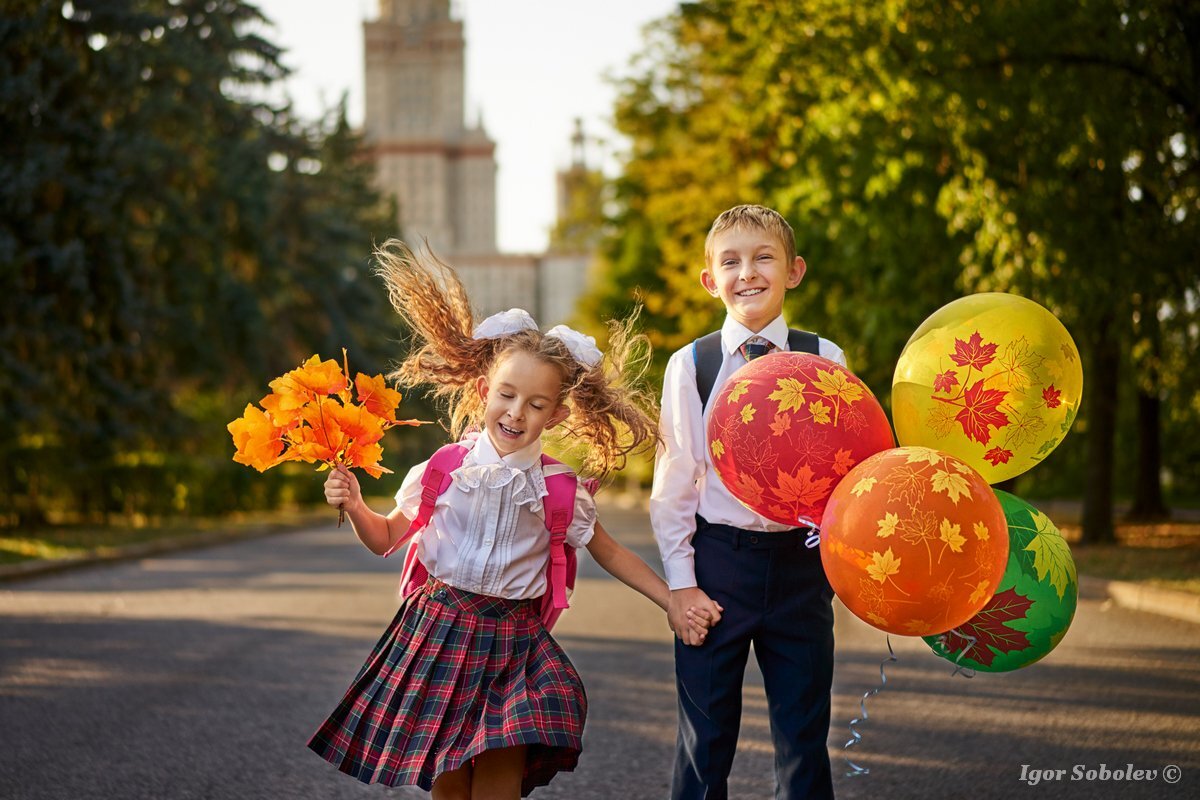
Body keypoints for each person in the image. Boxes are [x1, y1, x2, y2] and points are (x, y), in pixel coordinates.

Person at [308, 240, 721, 800]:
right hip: (438, 636)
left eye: (535, 403)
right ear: (484, 392)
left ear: (556, 412)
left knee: (499, 781)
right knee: (451, 787)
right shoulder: (444, 470)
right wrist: (356, 505)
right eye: (507, 395)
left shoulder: (558, 489)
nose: (517, 412)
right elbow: (384, 537)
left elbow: (610, 551)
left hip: (514, 645)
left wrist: (673, 597)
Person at [651, 205, 847, 799]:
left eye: (764, 257)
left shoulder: (826, 358)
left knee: (803, 742)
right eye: (730, 261)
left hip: (799, 568)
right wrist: (682, 586)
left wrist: (836, 558)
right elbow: (674, 481)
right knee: (705, 743)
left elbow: (845, 469)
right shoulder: (692, 365)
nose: (748, 273)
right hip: (719, 568)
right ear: (710, 279)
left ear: (794, 270)